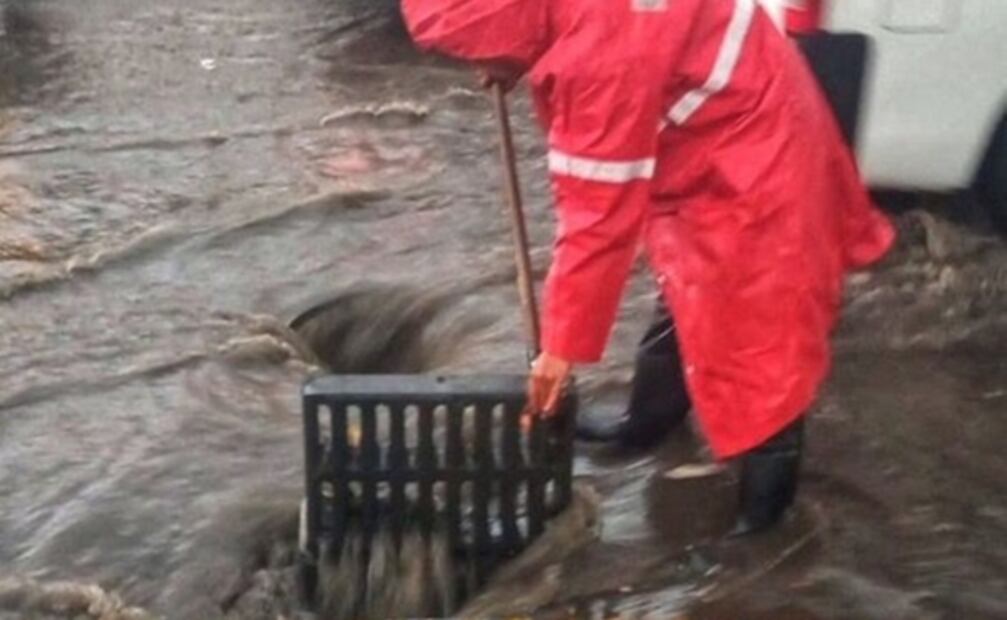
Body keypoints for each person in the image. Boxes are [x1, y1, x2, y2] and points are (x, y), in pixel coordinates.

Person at [401, 0, 895, 535]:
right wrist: (513, 59)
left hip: (757, 160)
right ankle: (647, 423)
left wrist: (558, 352)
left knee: (759, 346)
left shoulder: (603, 56)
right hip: (717, 123)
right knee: (685, 296)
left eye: (475, 51)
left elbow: (598, 220)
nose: (475, 65)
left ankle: (763, 527)